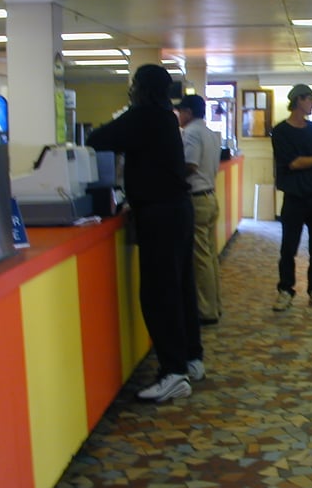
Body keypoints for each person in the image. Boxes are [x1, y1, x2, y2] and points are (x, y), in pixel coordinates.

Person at [86, 64, 204, 402]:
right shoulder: (165, 117)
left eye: (134, 85)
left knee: (158, 294)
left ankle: (173, 372)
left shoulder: (143, 116)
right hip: (179, 209)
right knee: (181, 288)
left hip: (159, 215)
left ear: (140, 88)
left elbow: (97, 139)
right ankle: (191, 358)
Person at [270, 83, 312, 312]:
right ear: (298, 101)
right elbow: (293, 163)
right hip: (294, 197)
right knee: (288, 248)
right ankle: (285, 290)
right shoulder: (281, 131)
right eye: (310, 99)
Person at [175, 94, 222, 325]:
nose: (178, 116)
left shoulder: (192, 132)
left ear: (189, 113)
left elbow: (190, 165)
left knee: (201, 258)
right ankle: (215, 304)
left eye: (180, 111)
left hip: (197, 200)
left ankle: (206, 310)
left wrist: (170, 178)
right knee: (210, 256)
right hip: (210, 197)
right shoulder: (211, 133)